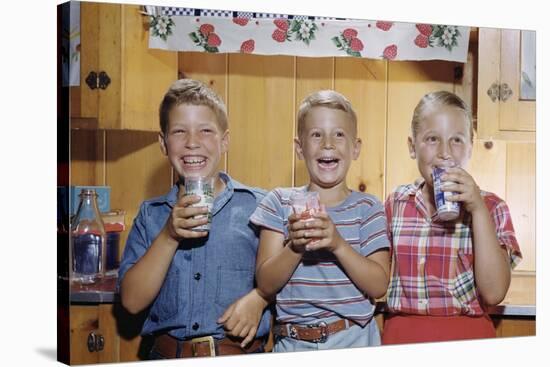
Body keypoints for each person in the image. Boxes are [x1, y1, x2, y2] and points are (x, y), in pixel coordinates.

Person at [118, 79, 271, 359]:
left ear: (225, 141)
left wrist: (261, 298)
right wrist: (168, 236)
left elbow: (288, 279)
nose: (192, 143)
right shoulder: (151, 215)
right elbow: (131, 301)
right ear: (163, 143)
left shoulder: (259, 207)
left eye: (205, 131)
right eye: (179, 131)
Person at [250, 90, 390, 352]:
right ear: (299, 148)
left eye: (339, 134)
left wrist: (338, 244)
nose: (328, 143)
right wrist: (295, 247)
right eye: (316, 134)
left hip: (354, 340)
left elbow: (379, 285)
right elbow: (266, 284)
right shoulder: (278, 202)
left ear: (355, 148)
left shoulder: (368, 207)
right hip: (292, 343)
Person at [382, 91, 523, 344]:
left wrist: (477, 209)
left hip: (468, 337)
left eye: (456, 140)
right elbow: (377, 280)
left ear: (471, 146)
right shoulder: (396, 203)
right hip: (402, 336)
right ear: (412, 147)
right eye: (432, 139)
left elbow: (494, 293)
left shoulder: (492, 207)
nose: (445, 152)